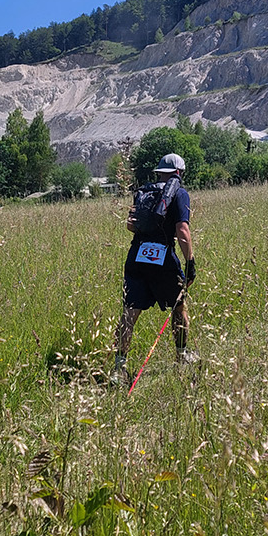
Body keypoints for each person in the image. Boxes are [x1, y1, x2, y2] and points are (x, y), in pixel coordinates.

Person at [113, 152, 197, 383]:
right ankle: (182, 355)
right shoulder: (179, 193)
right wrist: (190, 263)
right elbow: (182, 230)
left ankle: (119, 369)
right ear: (178, 173)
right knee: (178, 307)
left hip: (137, 255)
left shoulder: (143, 191)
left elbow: (131, 226)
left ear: (159, 172)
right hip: (164, 258)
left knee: (129, 313)